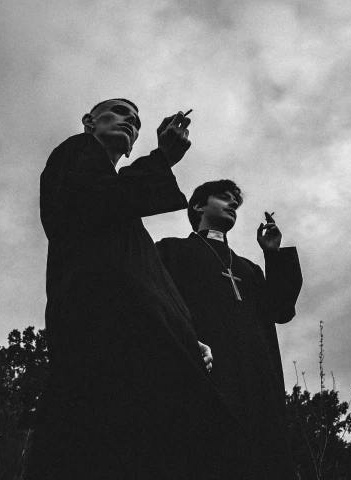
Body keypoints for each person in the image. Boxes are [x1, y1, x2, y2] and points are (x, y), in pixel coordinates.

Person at [27, 100, 245, 479]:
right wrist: (161, 158)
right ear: (89, 122)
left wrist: (188, 339)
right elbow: (93, 202)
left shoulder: (129, 226)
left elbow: (147, 283)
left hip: (143, 352)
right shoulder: (74, 154)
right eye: (119, 111)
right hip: (104, 343)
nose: (131, 119)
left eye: (137, 120)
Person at [156, 180, 303, 479]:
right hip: (206, 383)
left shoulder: (250, 269)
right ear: (197, 206)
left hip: (258, 390)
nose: (233, 203)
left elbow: (281, 310)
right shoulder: (171, 251)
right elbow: (155, 309)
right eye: (223, 197)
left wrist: (273, 254)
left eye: (236, 200)